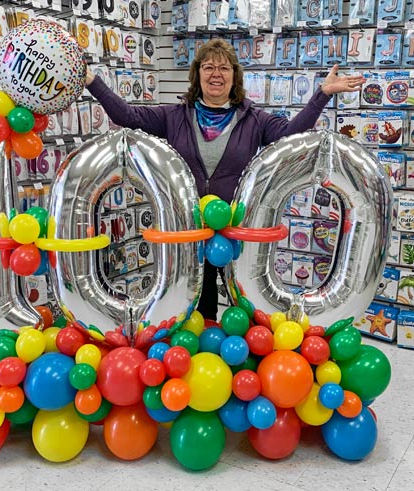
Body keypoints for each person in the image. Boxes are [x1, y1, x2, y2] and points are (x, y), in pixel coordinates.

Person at [85, 38, 364, 320]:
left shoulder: (254, 119)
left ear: (234, 76)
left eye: (223, 68)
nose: (216, 74)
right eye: (208, 67)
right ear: (197, 74)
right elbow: (126, 116)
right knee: (197, 306)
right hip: (192, 227)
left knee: (245, 305)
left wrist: (322, 94)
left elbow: (293, 134)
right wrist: (92, 81)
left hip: (237, 227)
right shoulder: (174, 116)